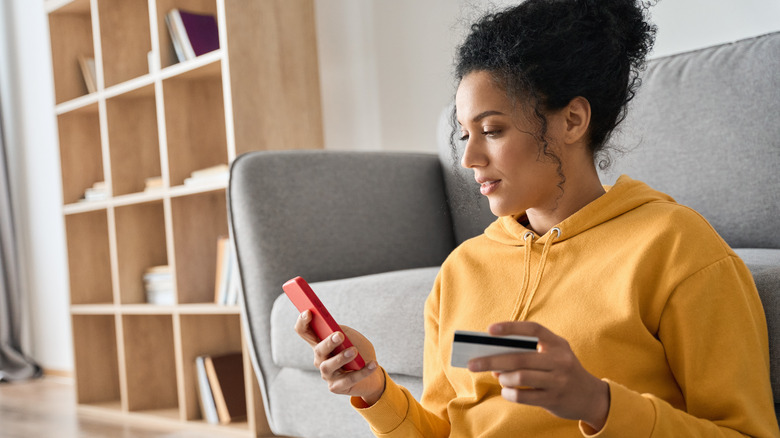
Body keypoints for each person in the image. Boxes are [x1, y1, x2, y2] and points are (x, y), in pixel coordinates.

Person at [295, 0, 780, 436]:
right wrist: (375, 388)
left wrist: (599, 405)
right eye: (465, 135)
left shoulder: (676, 248)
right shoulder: (462, 271)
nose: (469, 159)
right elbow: (442, 429)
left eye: (492, 129)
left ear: (572, 120)